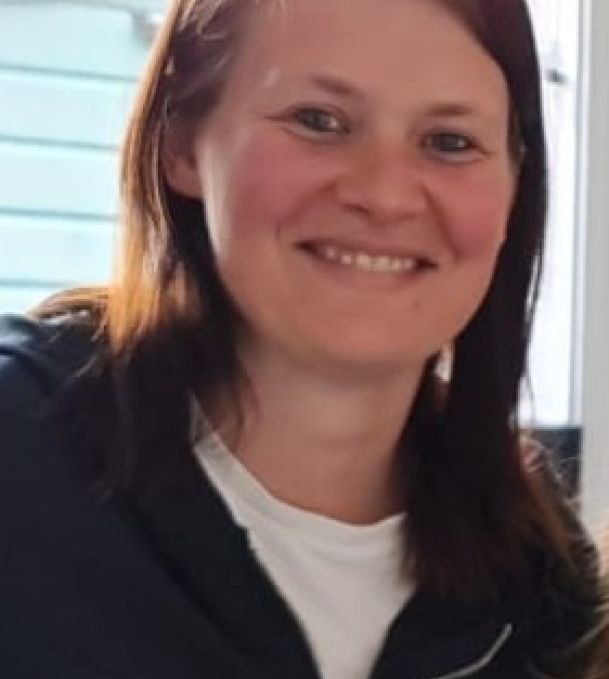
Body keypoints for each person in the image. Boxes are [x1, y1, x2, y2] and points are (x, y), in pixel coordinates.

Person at [0, 0, 605, 677]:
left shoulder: (547, 590)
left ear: (516, 187)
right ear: (181, 143)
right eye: (317, 121)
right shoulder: (20, 464)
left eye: (449, 142)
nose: (384, 195)